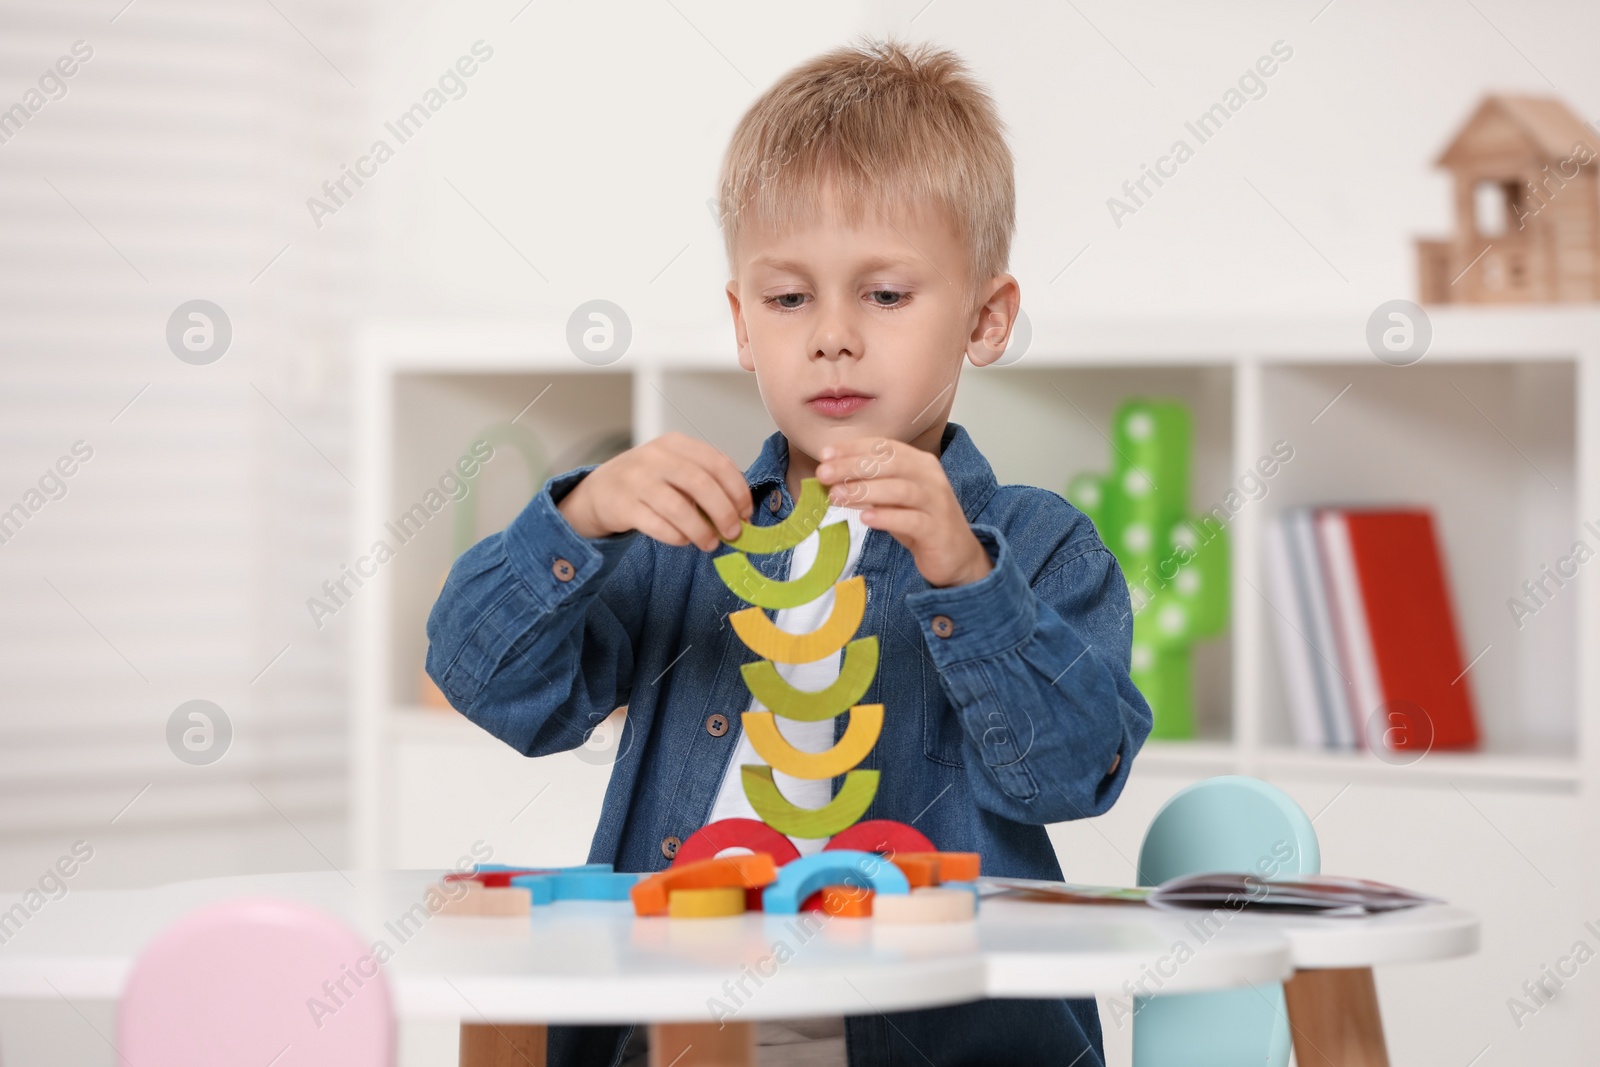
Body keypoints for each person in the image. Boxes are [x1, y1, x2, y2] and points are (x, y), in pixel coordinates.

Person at [425, 35, 1153, 1067]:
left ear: (985, 319)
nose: (833, 337)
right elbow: (486, 682)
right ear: (740, 322)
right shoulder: (687, 532)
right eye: (788, 297)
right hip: (673, 1026)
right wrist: (578, 518)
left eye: (886, 294)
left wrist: (965, 576)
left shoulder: (1032, 543)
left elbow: (1073, 775)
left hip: (940, 1041)